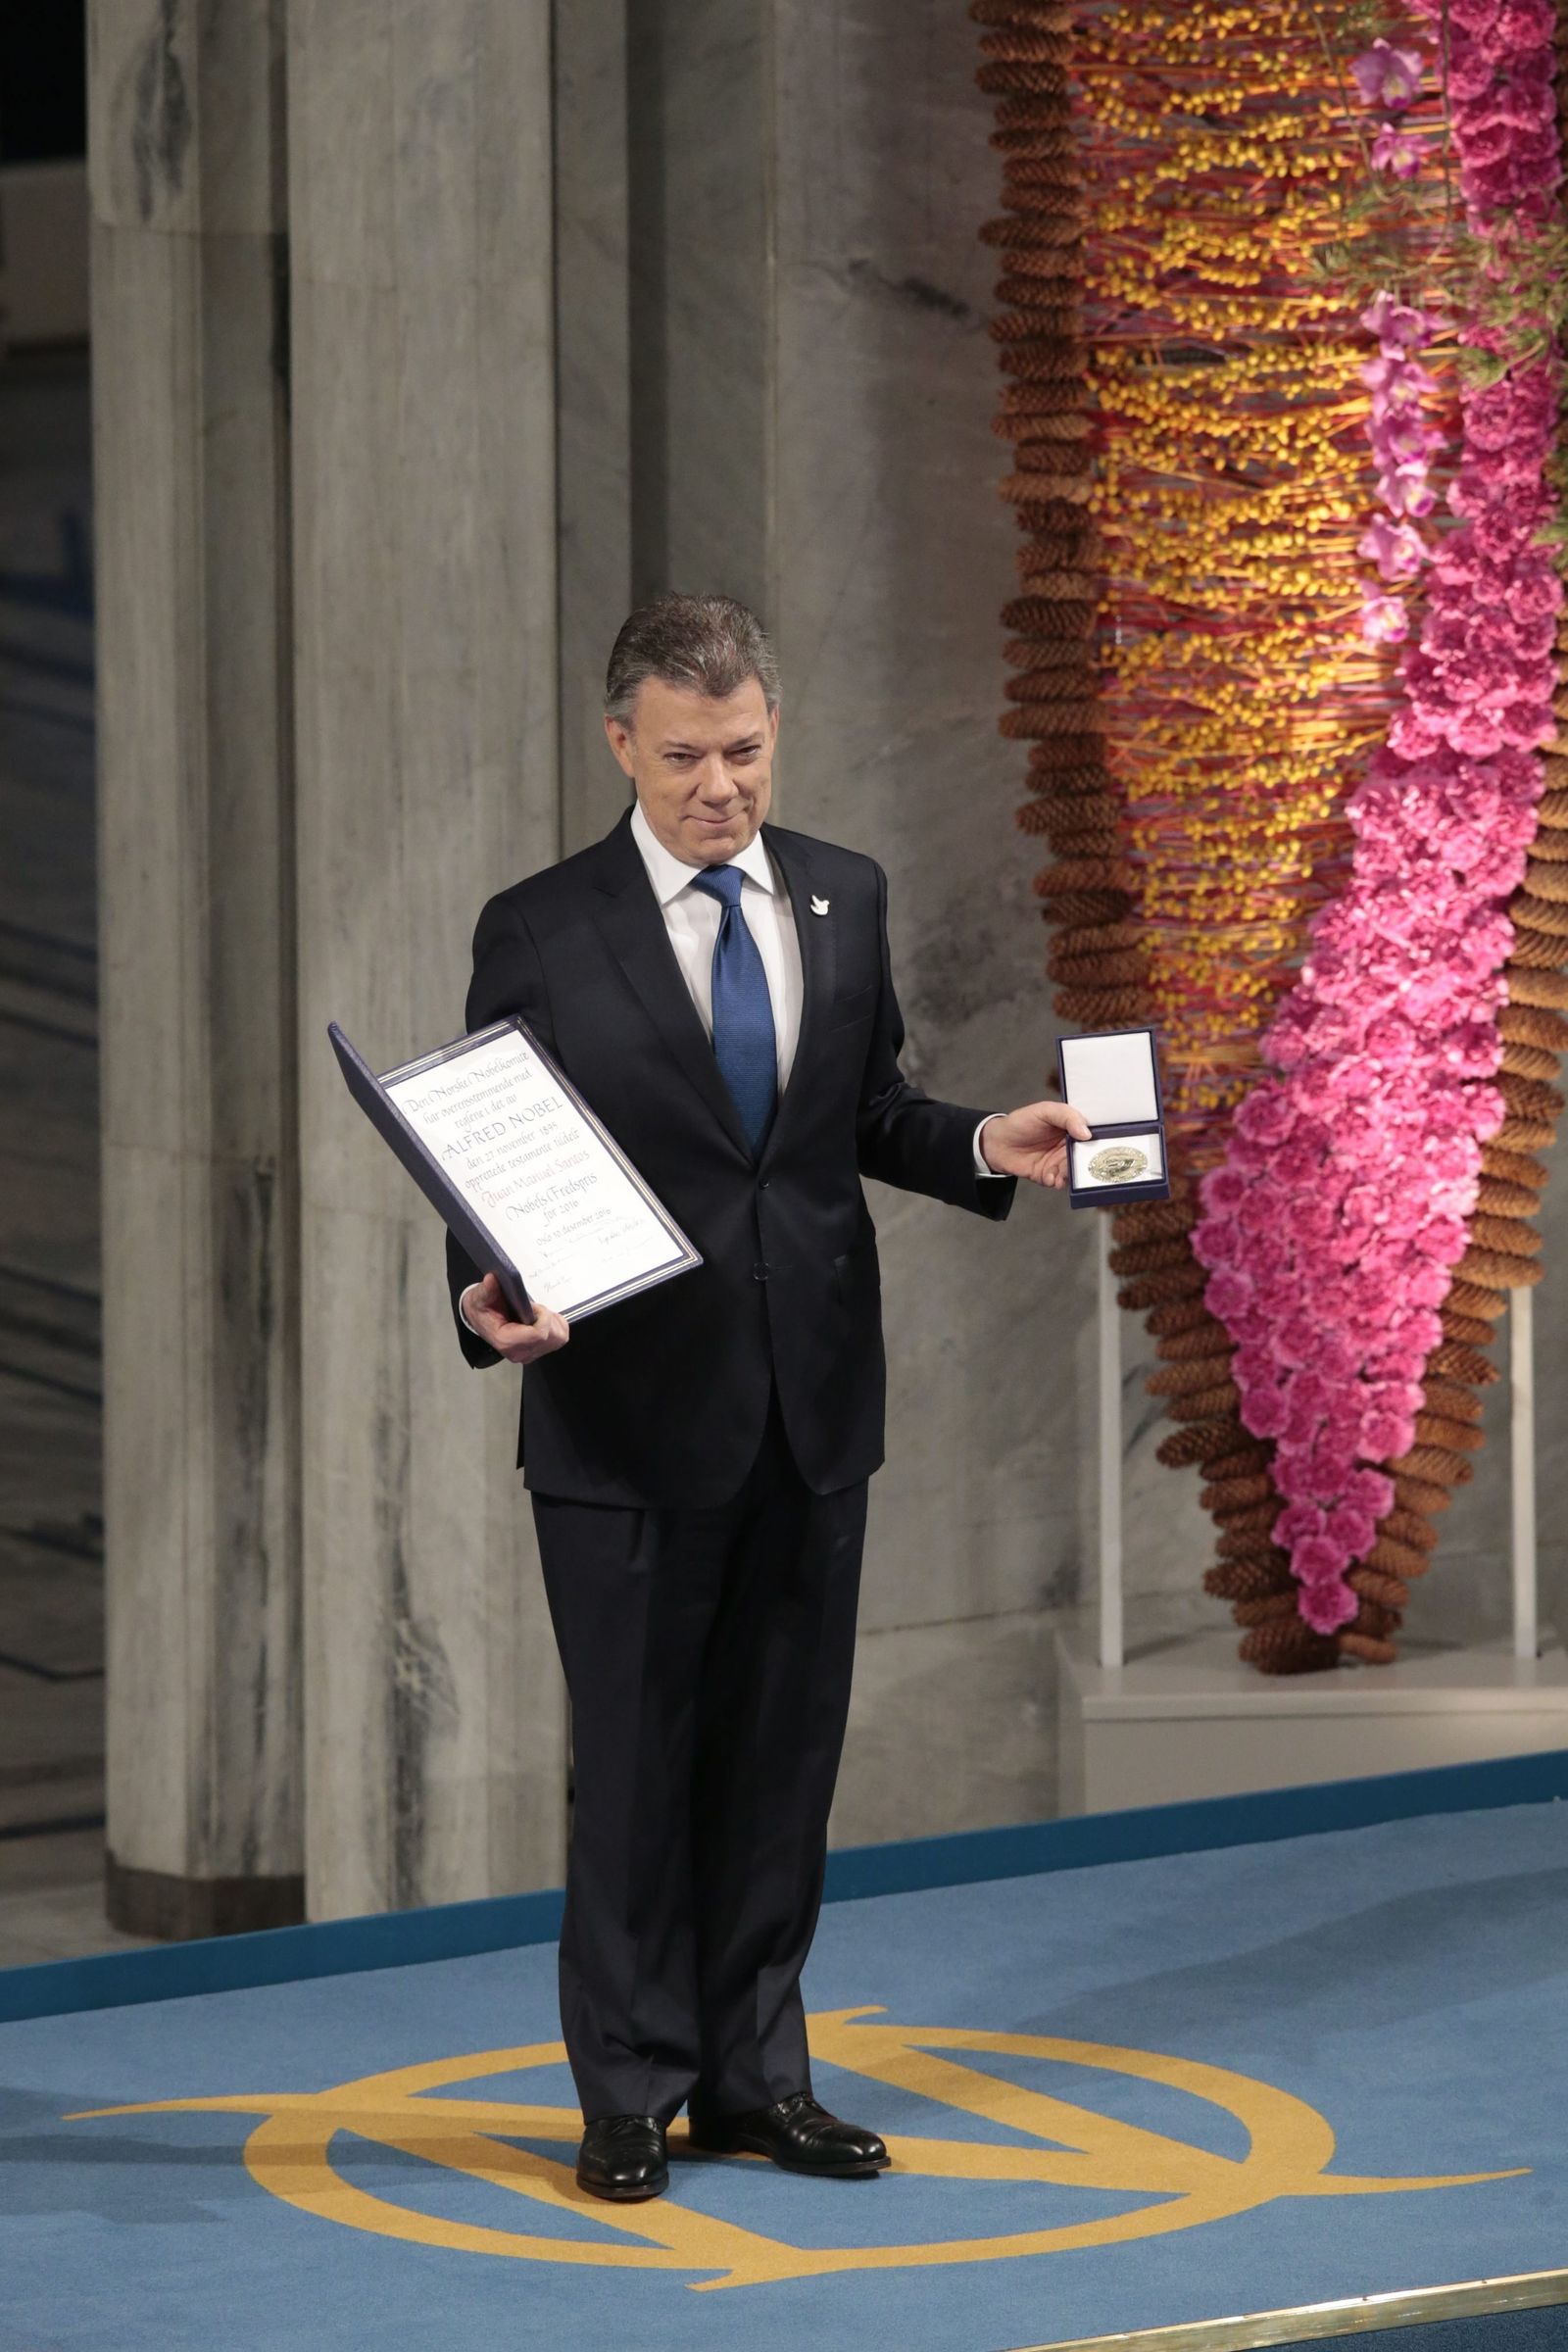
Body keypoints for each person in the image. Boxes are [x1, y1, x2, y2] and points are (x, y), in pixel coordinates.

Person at [448, 593, 1089, 2203]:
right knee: (641, 1767)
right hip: (624, 1428)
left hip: (812, 1410)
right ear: (620, 745)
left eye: (745, 750)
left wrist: (973, 1145)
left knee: (782, 1763)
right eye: (685, 757)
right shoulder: (537, 926)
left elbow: (861, 1113)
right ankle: (627, 2090)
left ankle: (754, 2079)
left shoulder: (844, 896)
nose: (720, 785)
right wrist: (489, 1292)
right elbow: (491, 1159)